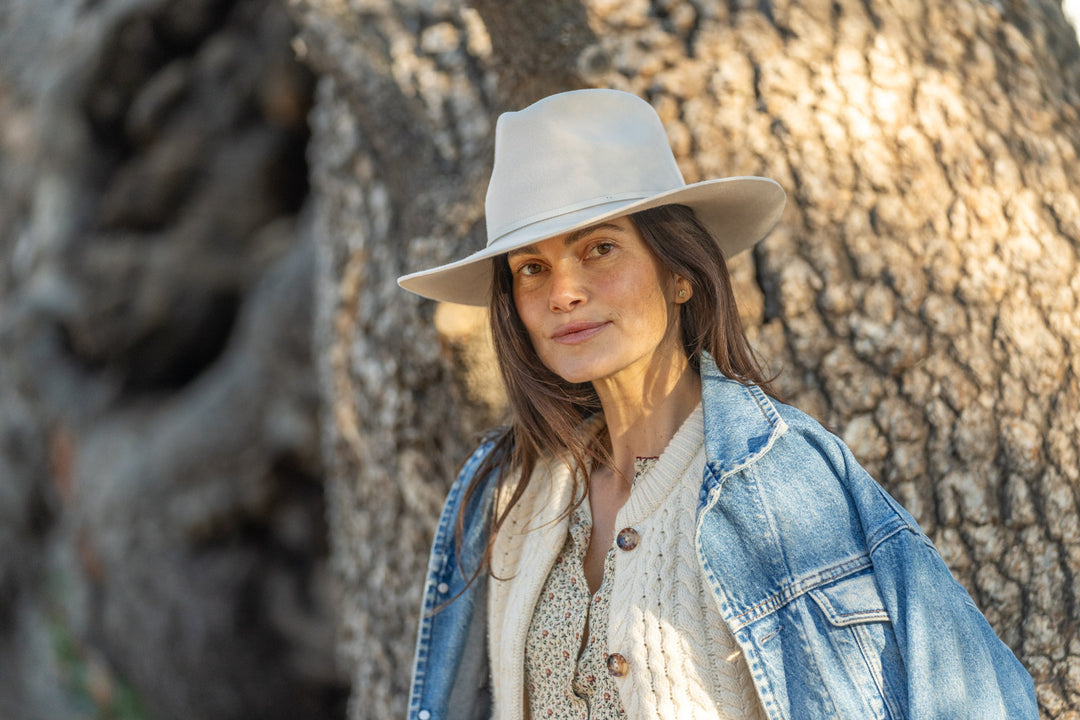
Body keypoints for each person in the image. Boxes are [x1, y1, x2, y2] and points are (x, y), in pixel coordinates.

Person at [396, 89, 1037, 720]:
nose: (563, 291)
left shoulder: (779, 476)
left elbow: (979, 701)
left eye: (600, 249)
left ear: (679, 273)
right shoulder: (506, 492)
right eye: (530, 268)